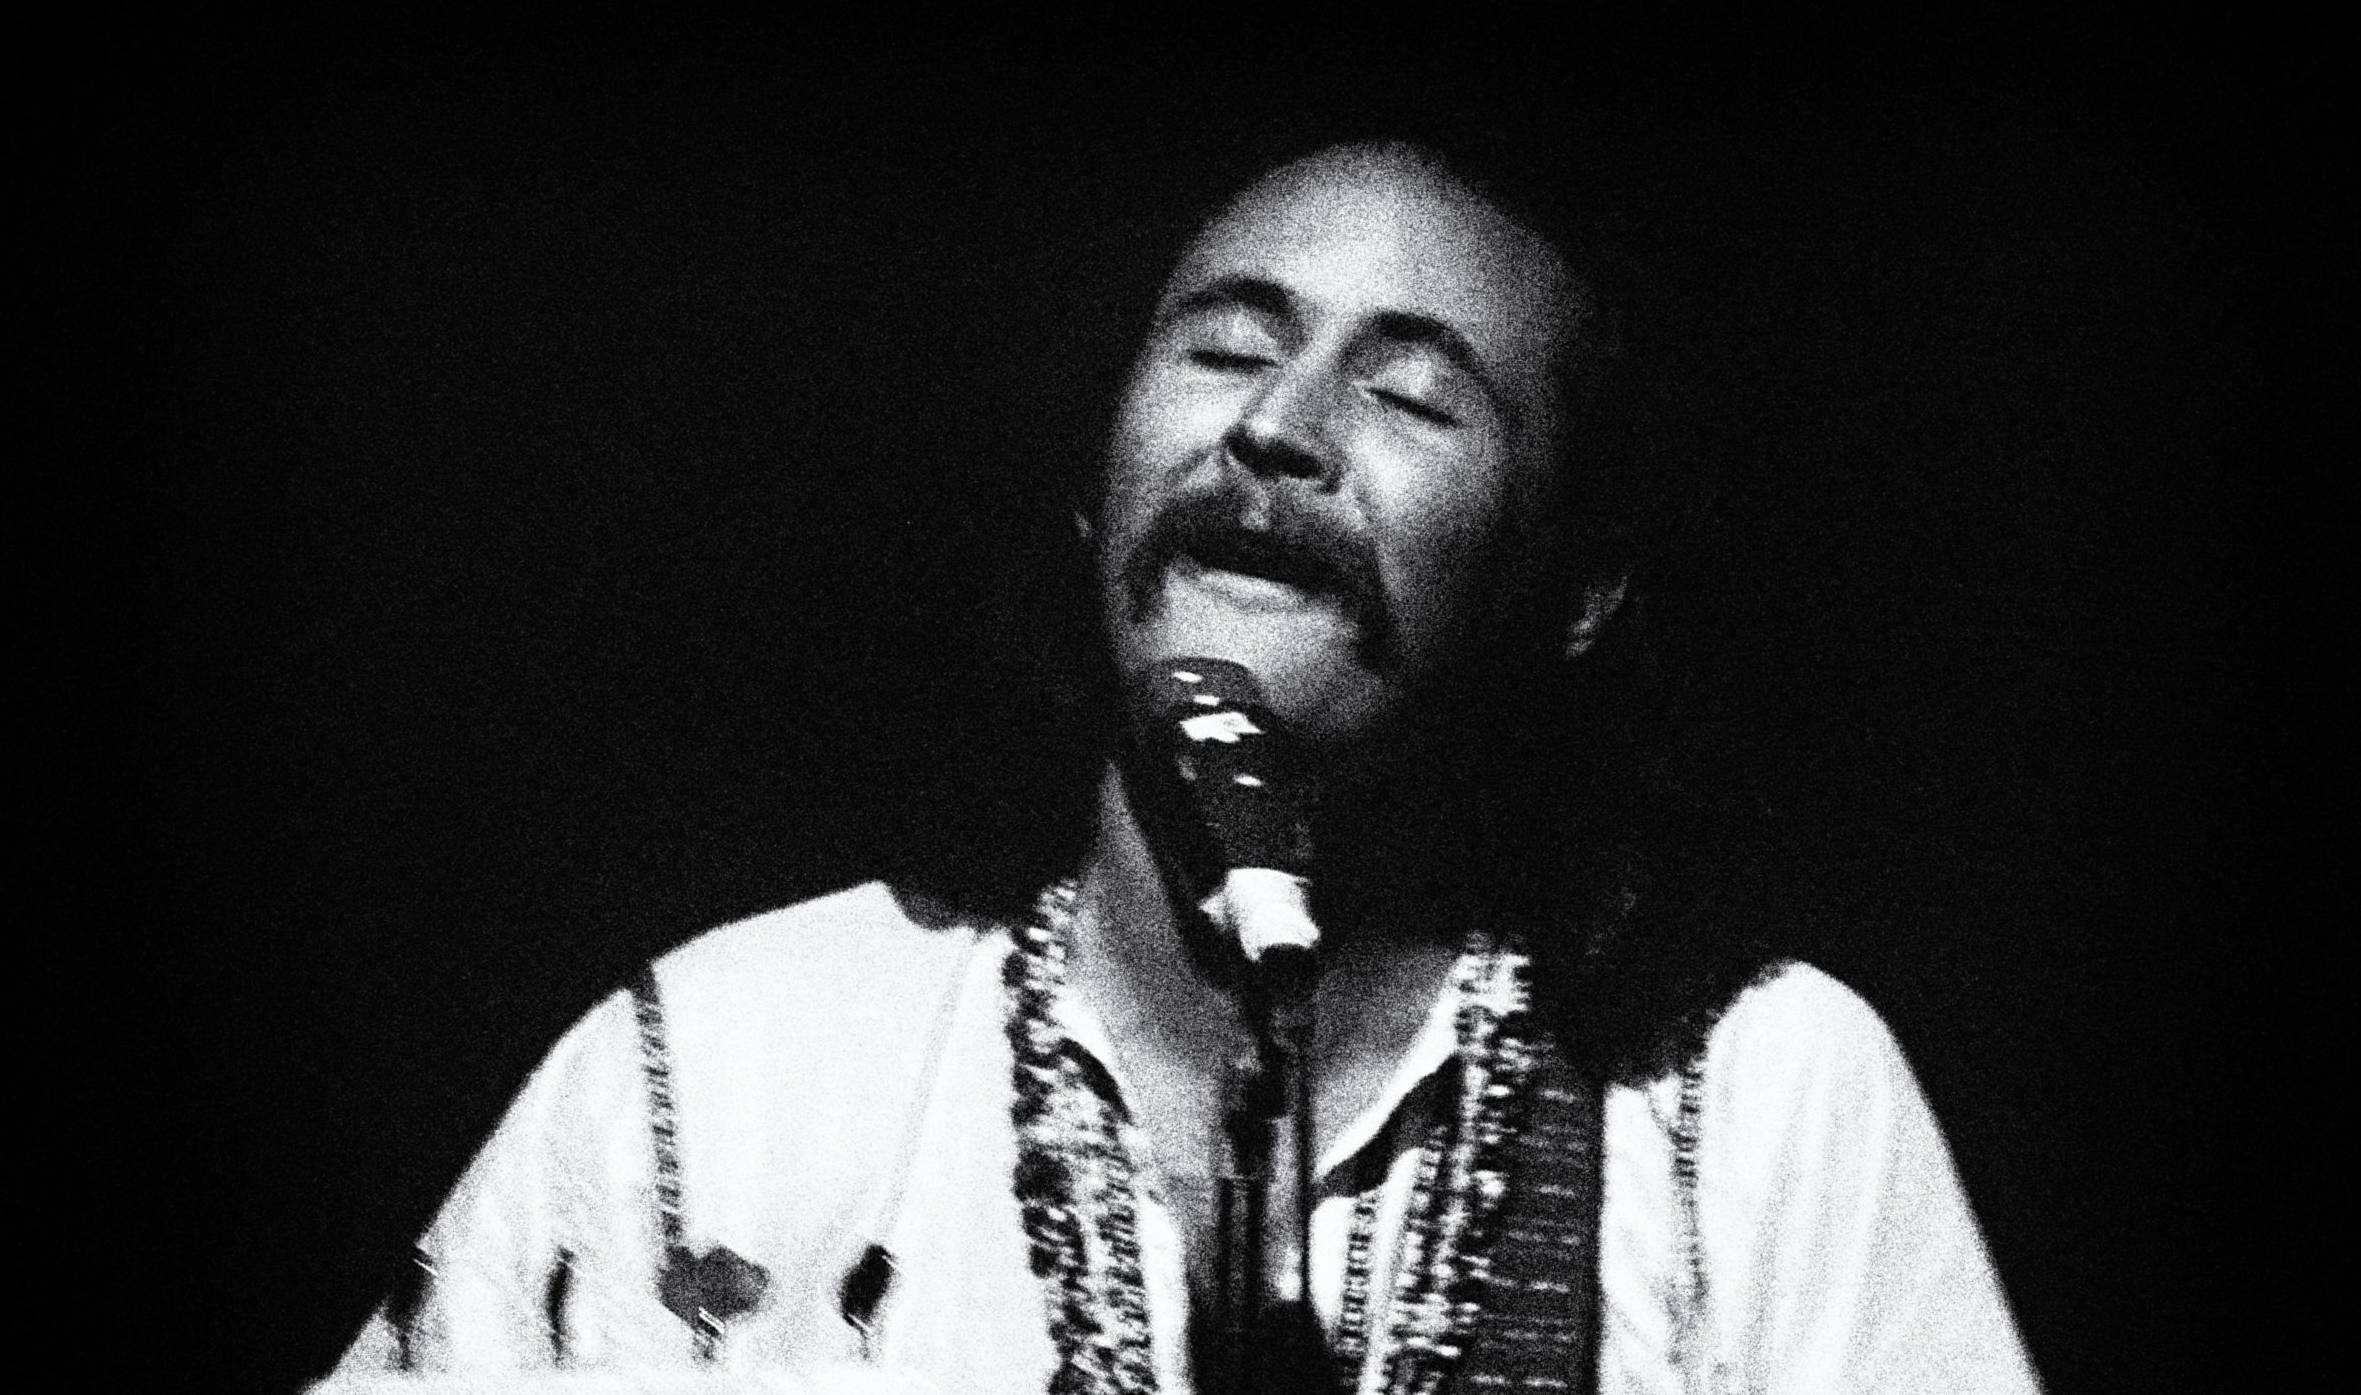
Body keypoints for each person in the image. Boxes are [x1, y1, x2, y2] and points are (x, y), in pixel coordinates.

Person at [317, 141, 2040, 1394]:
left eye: (1413, 397)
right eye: (1224, 346)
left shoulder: (1753, 1098)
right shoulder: (715, 1066)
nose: (1277, 427)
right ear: (1093, 492)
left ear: (1571, 592)